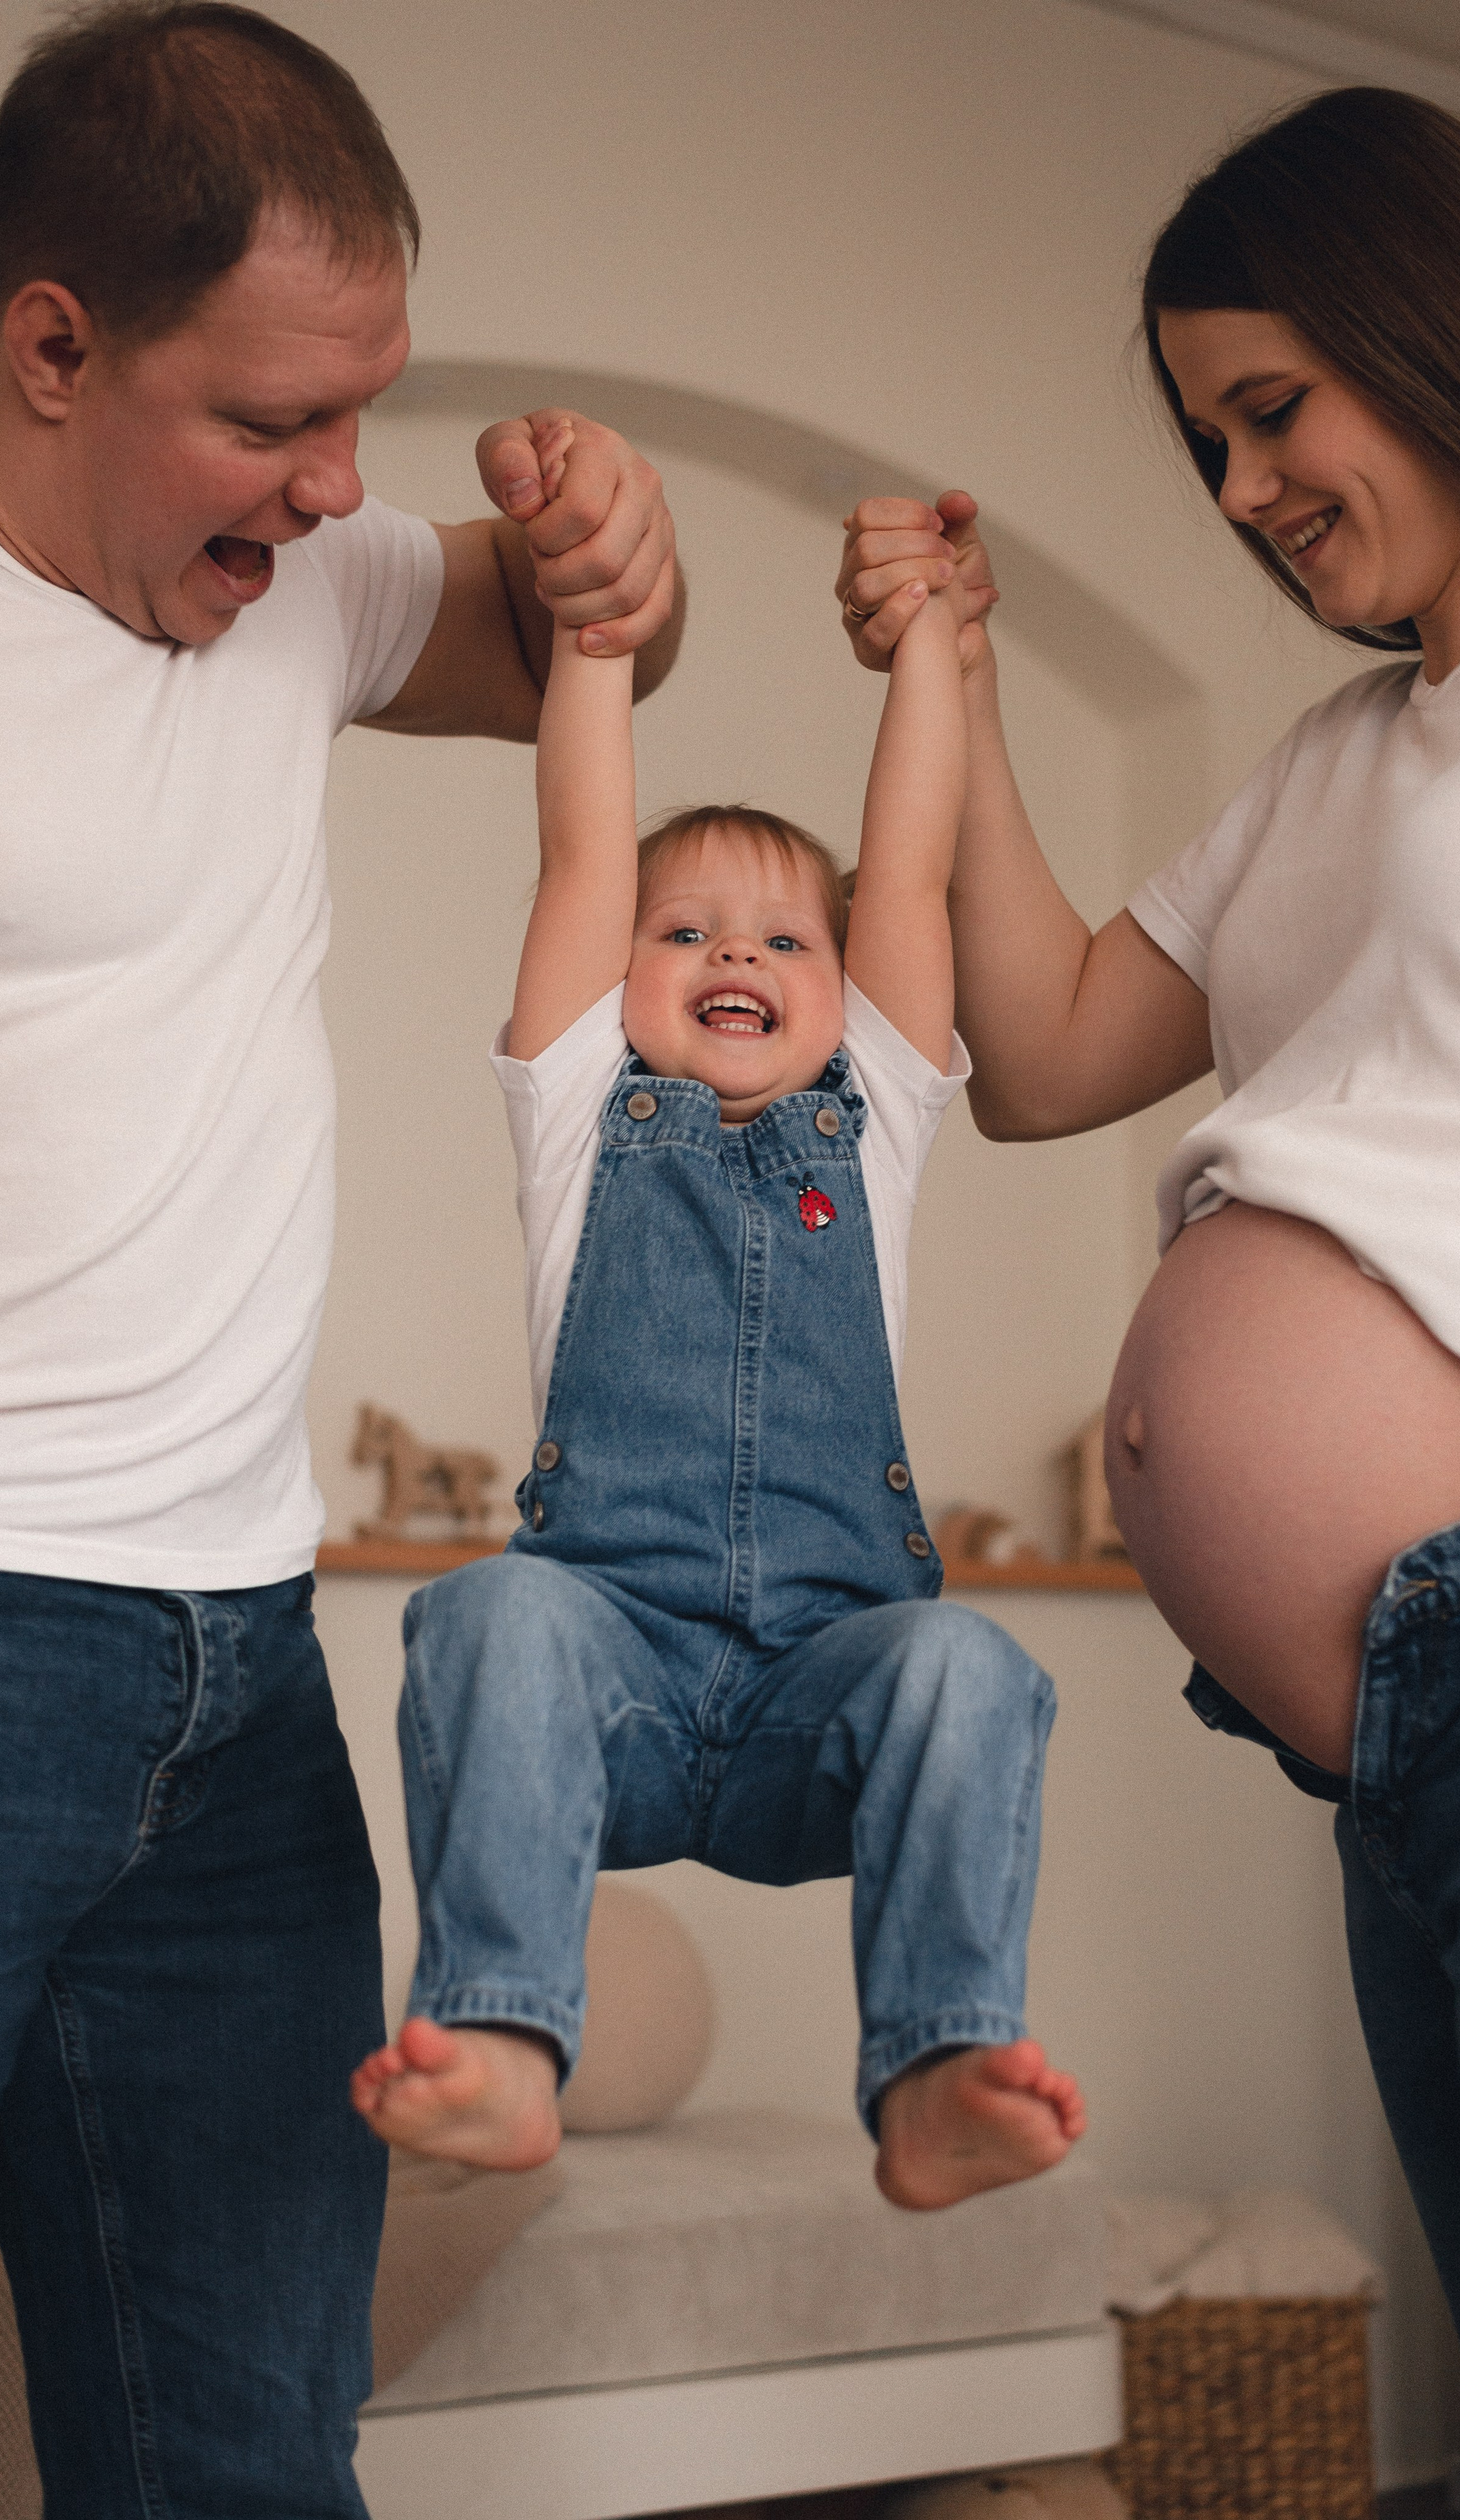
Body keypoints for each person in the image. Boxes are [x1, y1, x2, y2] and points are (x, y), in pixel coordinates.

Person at [0, 7, 682, 2512]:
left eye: (369, 412)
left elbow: (577, 648)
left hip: (238, 1691)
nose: (338, 486)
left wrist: (611, 556)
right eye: (267, 420)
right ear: (52, 345)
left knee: (247, 2459)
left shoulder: (290, 594)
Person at [836, 83, 1460, 2514]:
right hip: (1410, 1724)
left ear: (1437, 328)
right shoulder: (1345, 752)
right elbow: (1043, 1045)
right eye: (1207, 446)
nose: (1247, 489)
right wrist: (949, 672)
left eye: (1275, 409)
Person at [349, 417, 1085, 2209]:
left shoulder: (882, 1110)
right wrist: (593, 629)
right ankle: (508, 2038)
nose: (739, 958)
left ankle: (931, 2066)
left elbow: (903, 868)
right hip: (616, 1677)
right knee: (487, 1614)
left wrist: (928, 640)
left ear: (848, 997)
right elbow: (583, 836)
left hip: (820, 1697)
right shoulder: (579, 1106)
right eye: (687, 936)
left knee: (973, 1667)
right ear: (619, 984)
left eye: (782, 940)